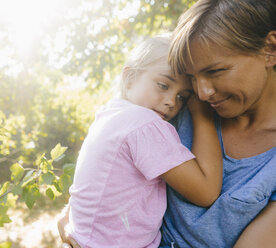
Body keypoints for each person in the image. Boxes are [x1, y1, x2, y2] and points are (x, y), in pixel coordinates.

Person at [59, 0, 276, 247]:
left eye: (216, 71)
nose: (202, 93)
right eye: (193, 78)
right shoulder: (162, 114)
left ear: (270, 49)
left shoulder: (180, 107)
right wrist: (75, 222)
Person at [61, 34, 223, 248]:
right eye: (163, 85)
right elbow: (206, 192)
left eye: (182, 97)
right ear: (129, 79)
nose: (171, 102)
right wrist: (203, 117)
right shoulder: (144, 123)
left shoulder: (110, 115)